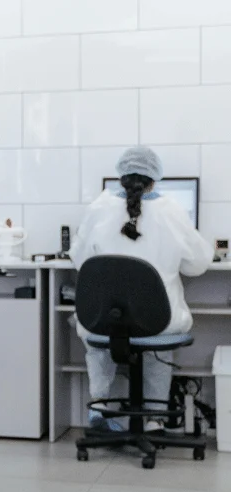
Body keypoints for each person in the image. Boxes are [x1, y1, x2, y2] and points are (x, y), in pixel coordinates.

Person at [71, 147, 213, 432]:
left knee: (99, 328)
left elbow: (80, 261)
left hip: (105, 319)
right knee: (156, 342)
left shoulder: (98, 208)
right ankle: (155, 418)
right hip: (158, 321)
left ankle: (99, 406)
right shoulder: (171, 211)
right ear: (154, 179)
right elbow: (198, 264)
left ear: (121, 176)